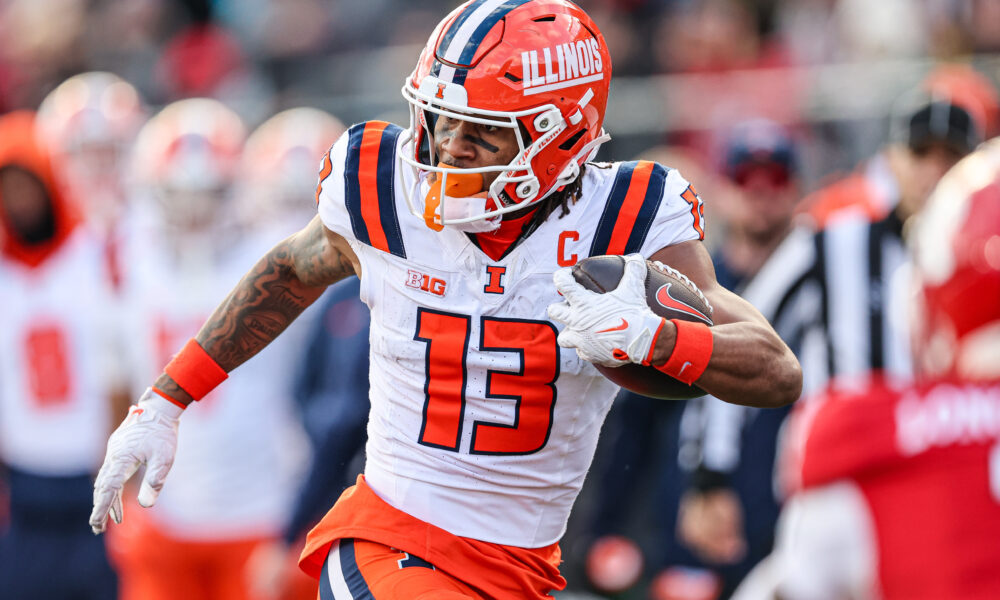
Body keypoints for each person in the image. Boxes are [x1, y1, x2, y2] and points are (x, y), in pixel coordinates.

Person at [89, 2, 802, 598]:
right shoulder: (386, 189)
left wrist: (662, 338)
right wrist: (165, 400)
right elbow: (288, 273)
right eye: (439, 119)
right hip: (388, 539)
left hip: (522, 565)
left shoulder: (631, 216)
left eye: (481, 132)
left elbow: (776, 372)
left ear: (563, 137)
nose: (446, 148)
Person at [676, 91, 986, 597]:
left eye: (952, 157)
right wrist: (710, 475)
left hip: (949, 486)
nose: (936, 171)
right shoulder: (829, 242)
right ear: (892, 160)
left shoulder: (986, 259)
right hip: (843, 483)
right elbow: (734, 339)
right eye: (922, 153)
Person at [106, 98, 315, 600]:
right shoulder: (128, 255)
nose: (194, 211)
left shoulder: (274, 256)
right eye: (178, 194)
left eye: (209, 193)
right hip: (165, 513)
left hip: (264, 507)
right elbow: (115, 380)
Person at [0, 111, 120, 599]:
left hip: (90, 476)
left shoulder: (94, 254)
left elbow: (121, 365)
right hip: (24, 480)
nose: (18, 202)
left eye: (25, 185)